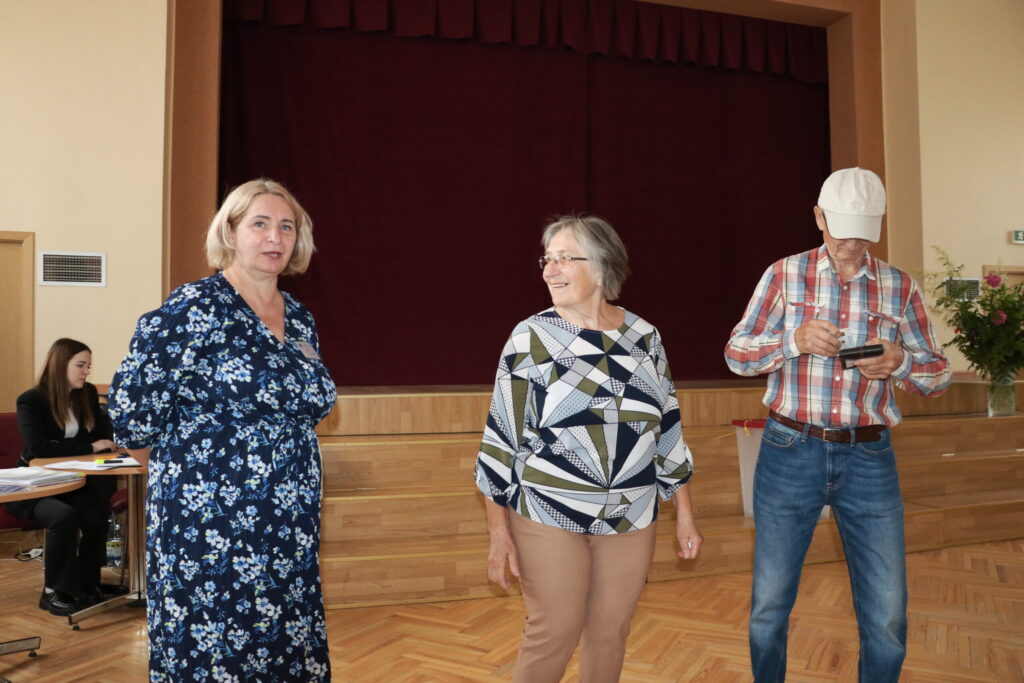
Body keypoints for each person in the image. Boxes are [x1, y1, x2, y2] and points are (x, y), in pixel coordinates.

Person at [724, 167, 951, 683]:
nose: (851, 244)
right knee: (769, 607)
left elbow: (939, 375)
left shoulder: (900, 286)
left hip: (870, 457)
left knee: (887, 614)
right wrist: (793, 341)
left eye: (864, 232)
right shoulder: (783, 274)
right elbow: (736, 353)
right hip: (789, 449)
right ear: (819, 217)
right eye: (842, 230)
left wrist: (900, 362)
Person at [108, 179, 337, 682]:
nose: (275, 237)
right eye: (260, 224)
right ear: (230, 232)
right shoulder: (194, 308)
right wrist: (191, 475)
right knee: (216, 650)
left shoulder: (300, 318)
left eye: (287, 227)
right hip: (211, 524)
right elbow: (131, 412)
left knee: (283, 639)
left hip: (288, 521)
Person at [474, 215, 703, 683]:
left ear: (601, 266)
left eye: (564, 259)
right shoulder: (530, 338)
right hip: (548, 510)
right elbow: (501, 441)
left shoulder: (645, 338)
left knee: (609, 634)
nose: (549, 270)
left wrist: (685, 514)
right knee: (553, 632)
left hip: (632, 513)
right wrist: (499, 534)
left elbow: (667, 429)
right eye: (547, 259)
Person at [6, 338, 118, 616]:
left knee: (95, 515)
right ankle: (53, 591)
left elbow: (102, 436)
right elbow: (39, 448)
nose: (86, 372)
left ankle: (88, 584)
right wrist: (88, 448)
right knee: (63, 516)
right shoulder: (31, 400)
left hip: (70, 483)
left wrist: (89, 444)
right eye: (81, 365)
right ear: (60, 365)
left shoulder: (86, 393)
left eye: (88, 366)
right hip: (31, 486)